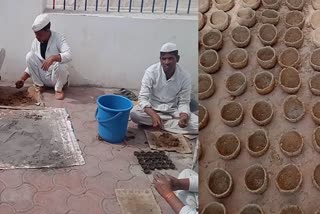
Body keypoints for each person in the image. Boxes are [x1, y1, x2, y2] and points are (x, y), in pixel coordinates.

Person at [130, 42, 198, 135]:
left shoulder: (185, 76)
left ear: (177, 59)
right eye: (164, 59)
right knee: (134, 114)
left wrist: (183, 118)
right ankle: (167, 124)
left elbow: (184, 102)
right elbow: (143, 98)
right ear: (160, 60)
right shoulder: (151, 72)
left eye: (170, 58)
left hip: (173, 111)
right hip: (153, 108)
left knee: (197, 124)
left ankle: (158, 124)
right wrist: (153, 115)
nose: (167, 62)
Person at [15, 14, 72, 100]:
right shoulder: (35, 42)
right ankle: (39, 85)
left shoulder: (58, 38)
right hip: (43, 77)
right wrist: (22, 79)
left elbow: (69, 55)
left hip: (56, 78)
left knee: (62, 63)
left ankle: (58, 89)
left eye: (39, 35)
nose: (37, 37)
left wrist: (53, 58)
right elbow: (32, 63)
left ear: (47, 30)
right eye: (36, 34)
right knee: (29, 55)